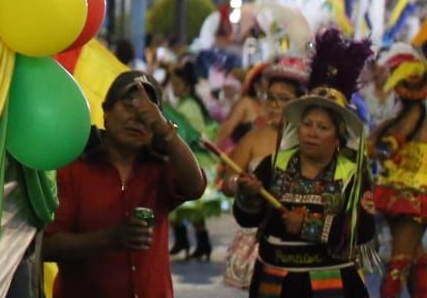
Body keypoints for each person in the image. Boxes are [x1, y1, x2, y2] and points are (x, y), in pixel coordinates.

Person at [233, 31, 380, 298]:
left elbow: (363, 230)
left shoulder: (352, 171)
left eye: (322, 127)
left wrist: (308, 226)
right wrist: (248, 196)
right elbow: (247, 218)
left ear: (338, 136)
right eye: (307, 124)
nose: (311, 132)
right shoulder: (274, 164)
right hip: (275, 284)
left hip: (333, 284)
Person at [43, 70, 208, 298]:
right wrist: (109, 238)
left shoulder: (160, 167)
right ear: (106, 111)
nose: (137, 118)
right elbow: (47, 245)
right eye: (128, 105)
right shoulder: (73, 166)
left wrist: (166, 131)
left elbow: (195, 186)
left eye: (148, 112)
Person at [219, 62, 307, 290]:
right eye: (270, 98)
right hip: (261, 238)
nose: (275, 105)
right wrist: (241, 185)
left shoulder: (312, 141)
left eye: (284, 99)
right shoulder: (252, 139)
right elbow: (227, 184)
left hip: (304, 241)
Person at [370, 59, 427, 297]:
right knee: (400, 261)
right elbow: (380, 146)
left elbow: (372, 146)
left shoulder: (393, 122)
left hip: (400, 195)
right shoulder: (410, 119)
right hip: (411, 199)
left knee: (415, 256)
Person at [161, 60, 222, 261]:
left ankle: (196, 243)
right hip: (188, 157)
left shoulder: (189, 106)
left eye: (178, 85)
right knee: (187, 208)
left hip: (194, 158)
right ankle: (187, 242)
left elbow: (186, 133)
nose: (175, 88)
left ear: (187, 86)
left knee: (193, 207)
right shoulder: (186, 104)